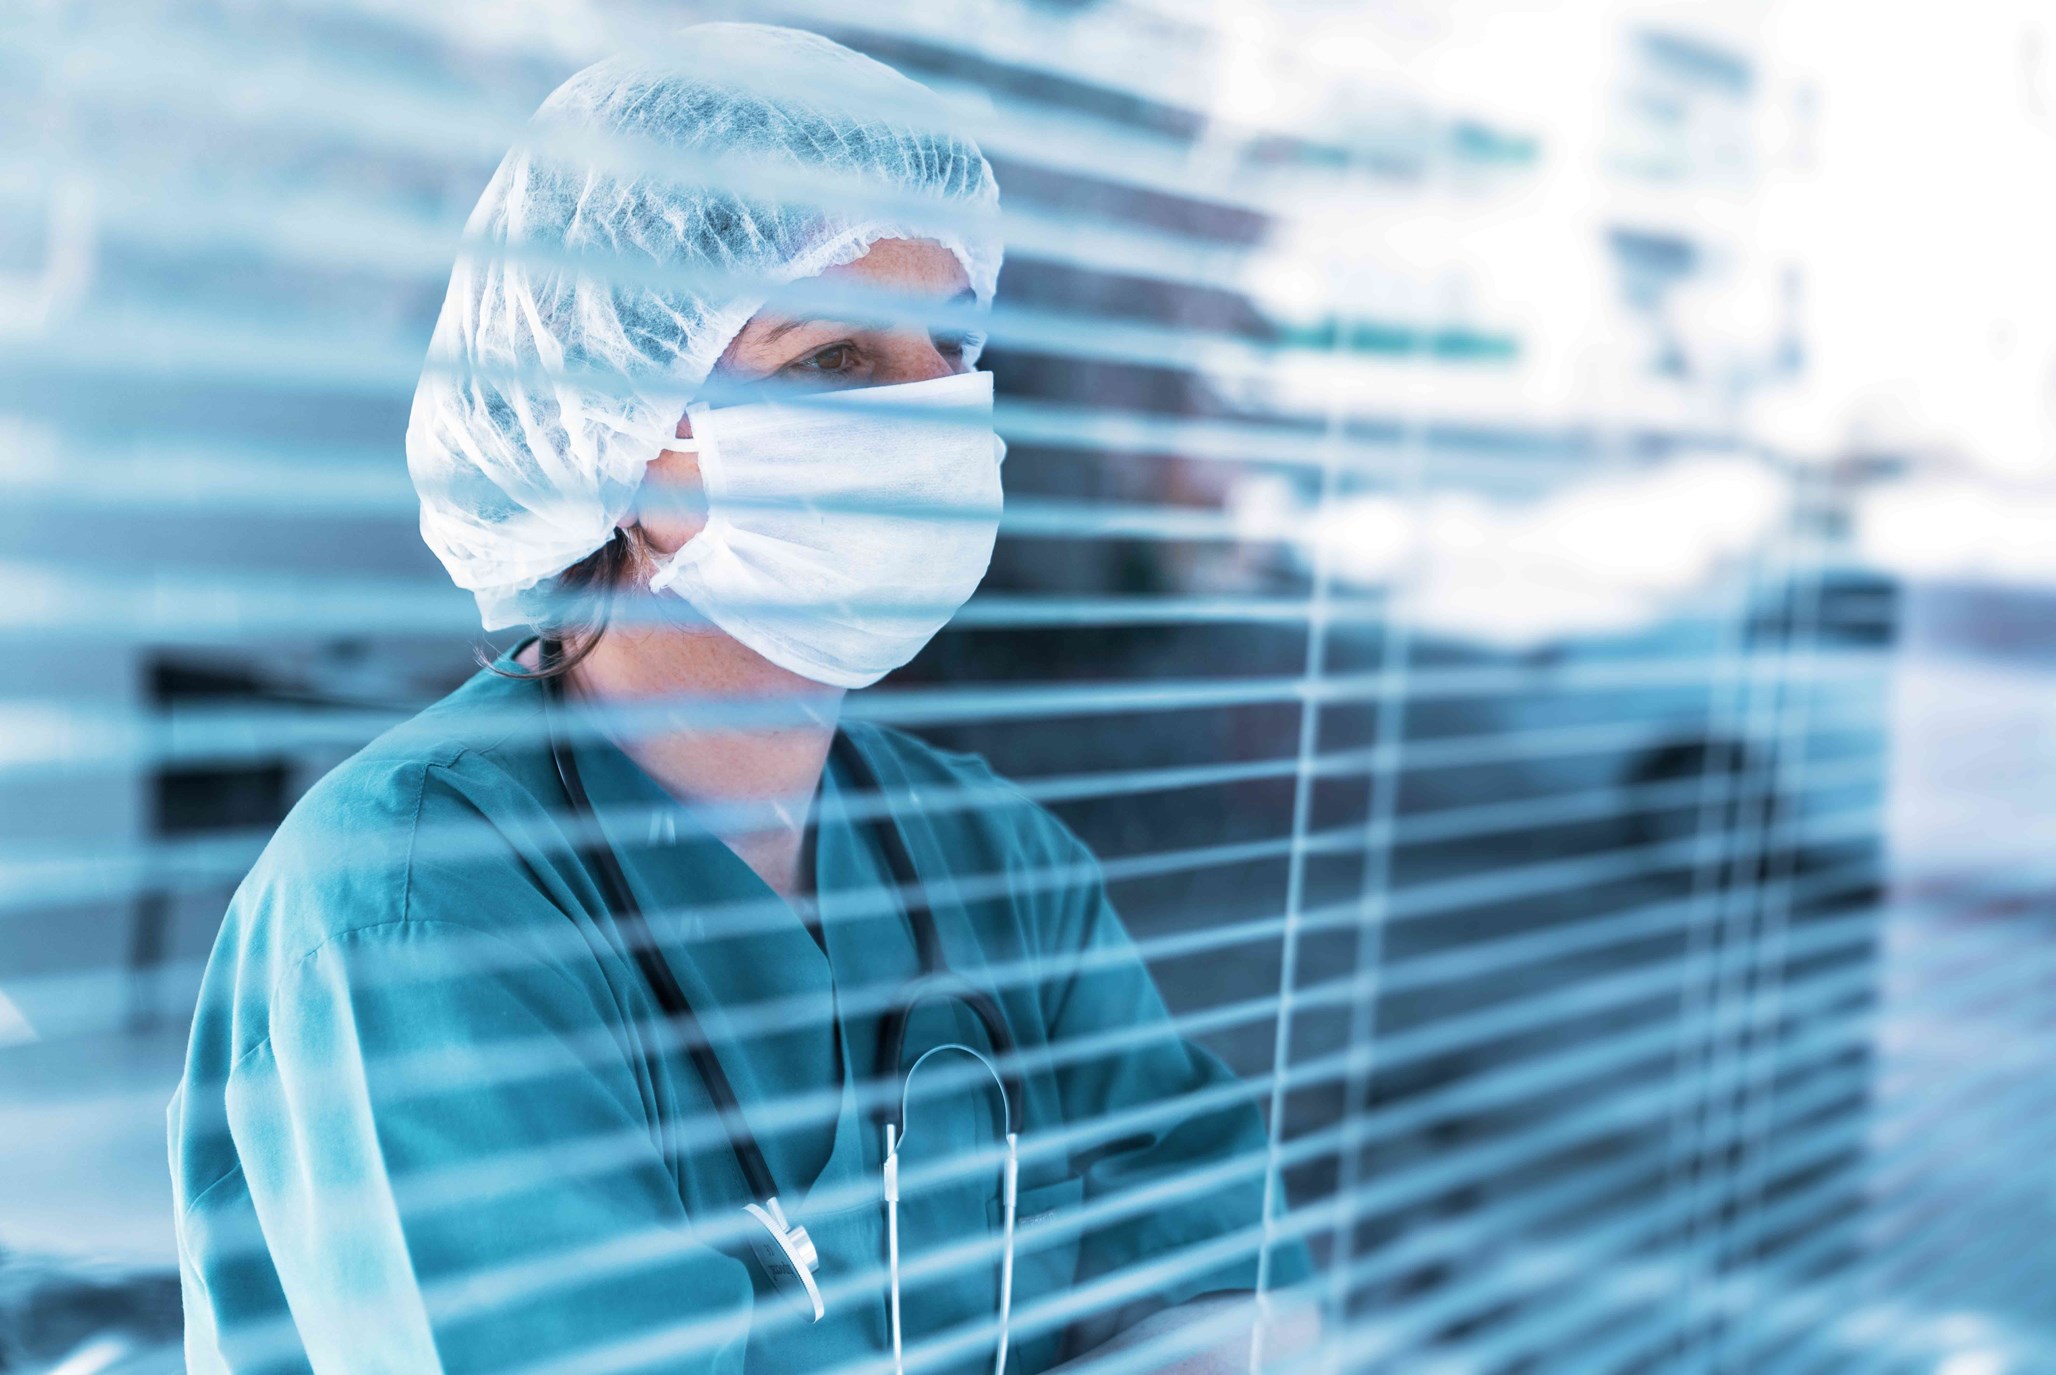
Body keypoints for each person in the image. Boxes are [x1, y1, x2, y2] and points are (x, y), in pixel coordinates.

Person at [168, 23, 1314, 1375]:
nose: (939, 413)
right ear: (613, 419)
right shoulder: (410, 902)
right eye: (832, 361)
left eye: (953, 347)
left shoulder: (993, 866)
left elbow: (1222, 1280)